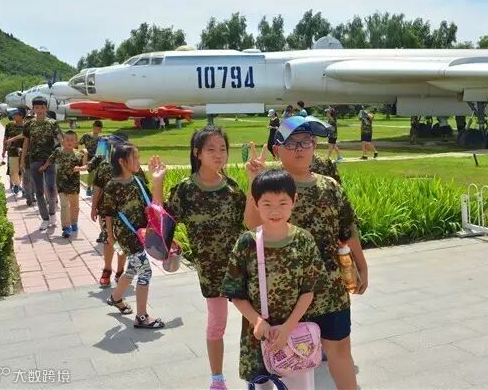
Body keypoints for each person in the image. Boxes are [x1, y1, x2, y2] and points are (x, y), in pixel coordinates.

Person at [244, 116, 368, 390]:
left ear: (314, 146)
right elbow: (253, 228)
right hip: (287, 295)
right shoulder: (271, 184)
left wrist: (362, 266)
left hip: (331, 290)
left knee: (340, 351)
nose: (300, 149)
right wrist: (254, 181)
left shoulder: (329, 186)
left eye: (306, 142)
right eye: (292, 144)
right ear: (277, 149)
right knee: (290, 362)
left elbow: (347, 229)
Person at [149, 125, 246, 390]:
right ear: (197, 153)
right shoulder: (185, 190)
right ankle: (217, 380)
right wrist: (157, 183)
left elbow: (250, 224)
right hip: (211, 273)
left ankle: (260, 372)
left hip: (240, 268)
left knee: (255, 320)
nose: (218, 154)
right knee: (217, 325)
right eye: (211, 149)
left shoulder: (233, 189)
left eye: (223, 149)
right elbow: (162, 225)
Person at [222, 169, 326, 389]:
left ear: (294, 201)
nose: (275, 211)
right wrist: (257, 321)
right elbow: (236, 292)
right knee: (263, 385)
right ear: (255, 203)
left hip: (296, 336)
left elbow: (309, 290)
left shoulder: (304, 240)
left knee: (299, 384)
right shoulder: (247, 243)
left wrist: (287, 327)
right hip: (258, 336)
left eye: (282, 203)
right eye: (267, 204)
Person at [100, 142, 164, 329]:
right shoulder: (112, 185)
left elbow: (151, 203)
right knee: (145, 271)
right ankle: (142, 317)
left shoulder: (138, 180)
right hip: (126, 235)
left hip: (142, 233)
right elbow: (108, 213)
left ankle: (116, 297)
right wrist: (110, 236)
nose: (138, 160)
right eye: (134, 157)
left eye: (138, 156)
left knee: (133, 268)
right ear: (122, 161)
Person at [91, 134, 143, 286]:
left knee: (123, 242)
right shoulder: (104, 166)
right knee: (108, 241)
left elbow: (142, 188)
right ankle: (107, 269)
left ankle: (120, 271)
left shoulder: (134, 166)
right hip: (107, 211)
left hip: (128, 214)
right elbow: (97, 188)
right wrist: (93, 208)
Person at [20, 97, 63, 231]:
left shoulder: (52, 123)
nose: (39, 110)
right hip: (34, 160)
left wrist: (66, 148)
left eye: (42, 107)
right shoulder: (29, 124)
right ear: (33, 108)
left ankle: (52, 213)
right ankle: (44, 219)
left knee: (50, 188)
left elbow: (60, 139)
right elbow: (26, 142)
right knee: (39, 192)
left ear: (46, 108)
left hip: (50, 160)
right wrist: (22, 159)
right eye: (37, 107)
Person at [39, 131, 88, 238]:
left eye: (72, 140)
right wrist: (44, 166)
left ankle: (74, 222)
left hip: (74, 185)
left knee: (75, 206)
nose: (69, 142)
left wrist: (85, 155)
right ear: (63, 141)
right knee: (65, 205)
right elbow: (50, 159)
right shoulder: (58, 152)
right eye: (67, 140)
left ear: (76, 142)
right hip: (61, 184)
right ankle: (66, 228)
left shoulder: (78, 154)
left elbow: (84, 167)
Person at [3, 108, 27, 195]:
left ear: (21, 116)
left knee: (23, 171)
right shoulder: (9, 125)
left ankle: (23, 188)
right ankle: (17, 184)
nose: (13, 115)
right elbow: (5, 138)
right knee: (13, 170)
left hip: (24, 152)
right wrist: (3, 150)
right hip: (12, 151)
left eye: (16, 114)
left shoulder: (27, 126)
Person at [80, 120, 103, 196]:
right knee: (91, 173)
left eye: (99, 129)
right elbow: (78, 144)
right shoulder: (86, 136)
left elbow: (101, 150)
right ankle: (89, 188)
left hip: (97, 158)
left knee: (97, 174)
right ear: (93, 127)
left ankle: (94, 188)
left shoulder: (101, 138)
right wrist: (83, 151)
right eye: (96, 128)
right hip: (89, 157)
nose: (97, 130)